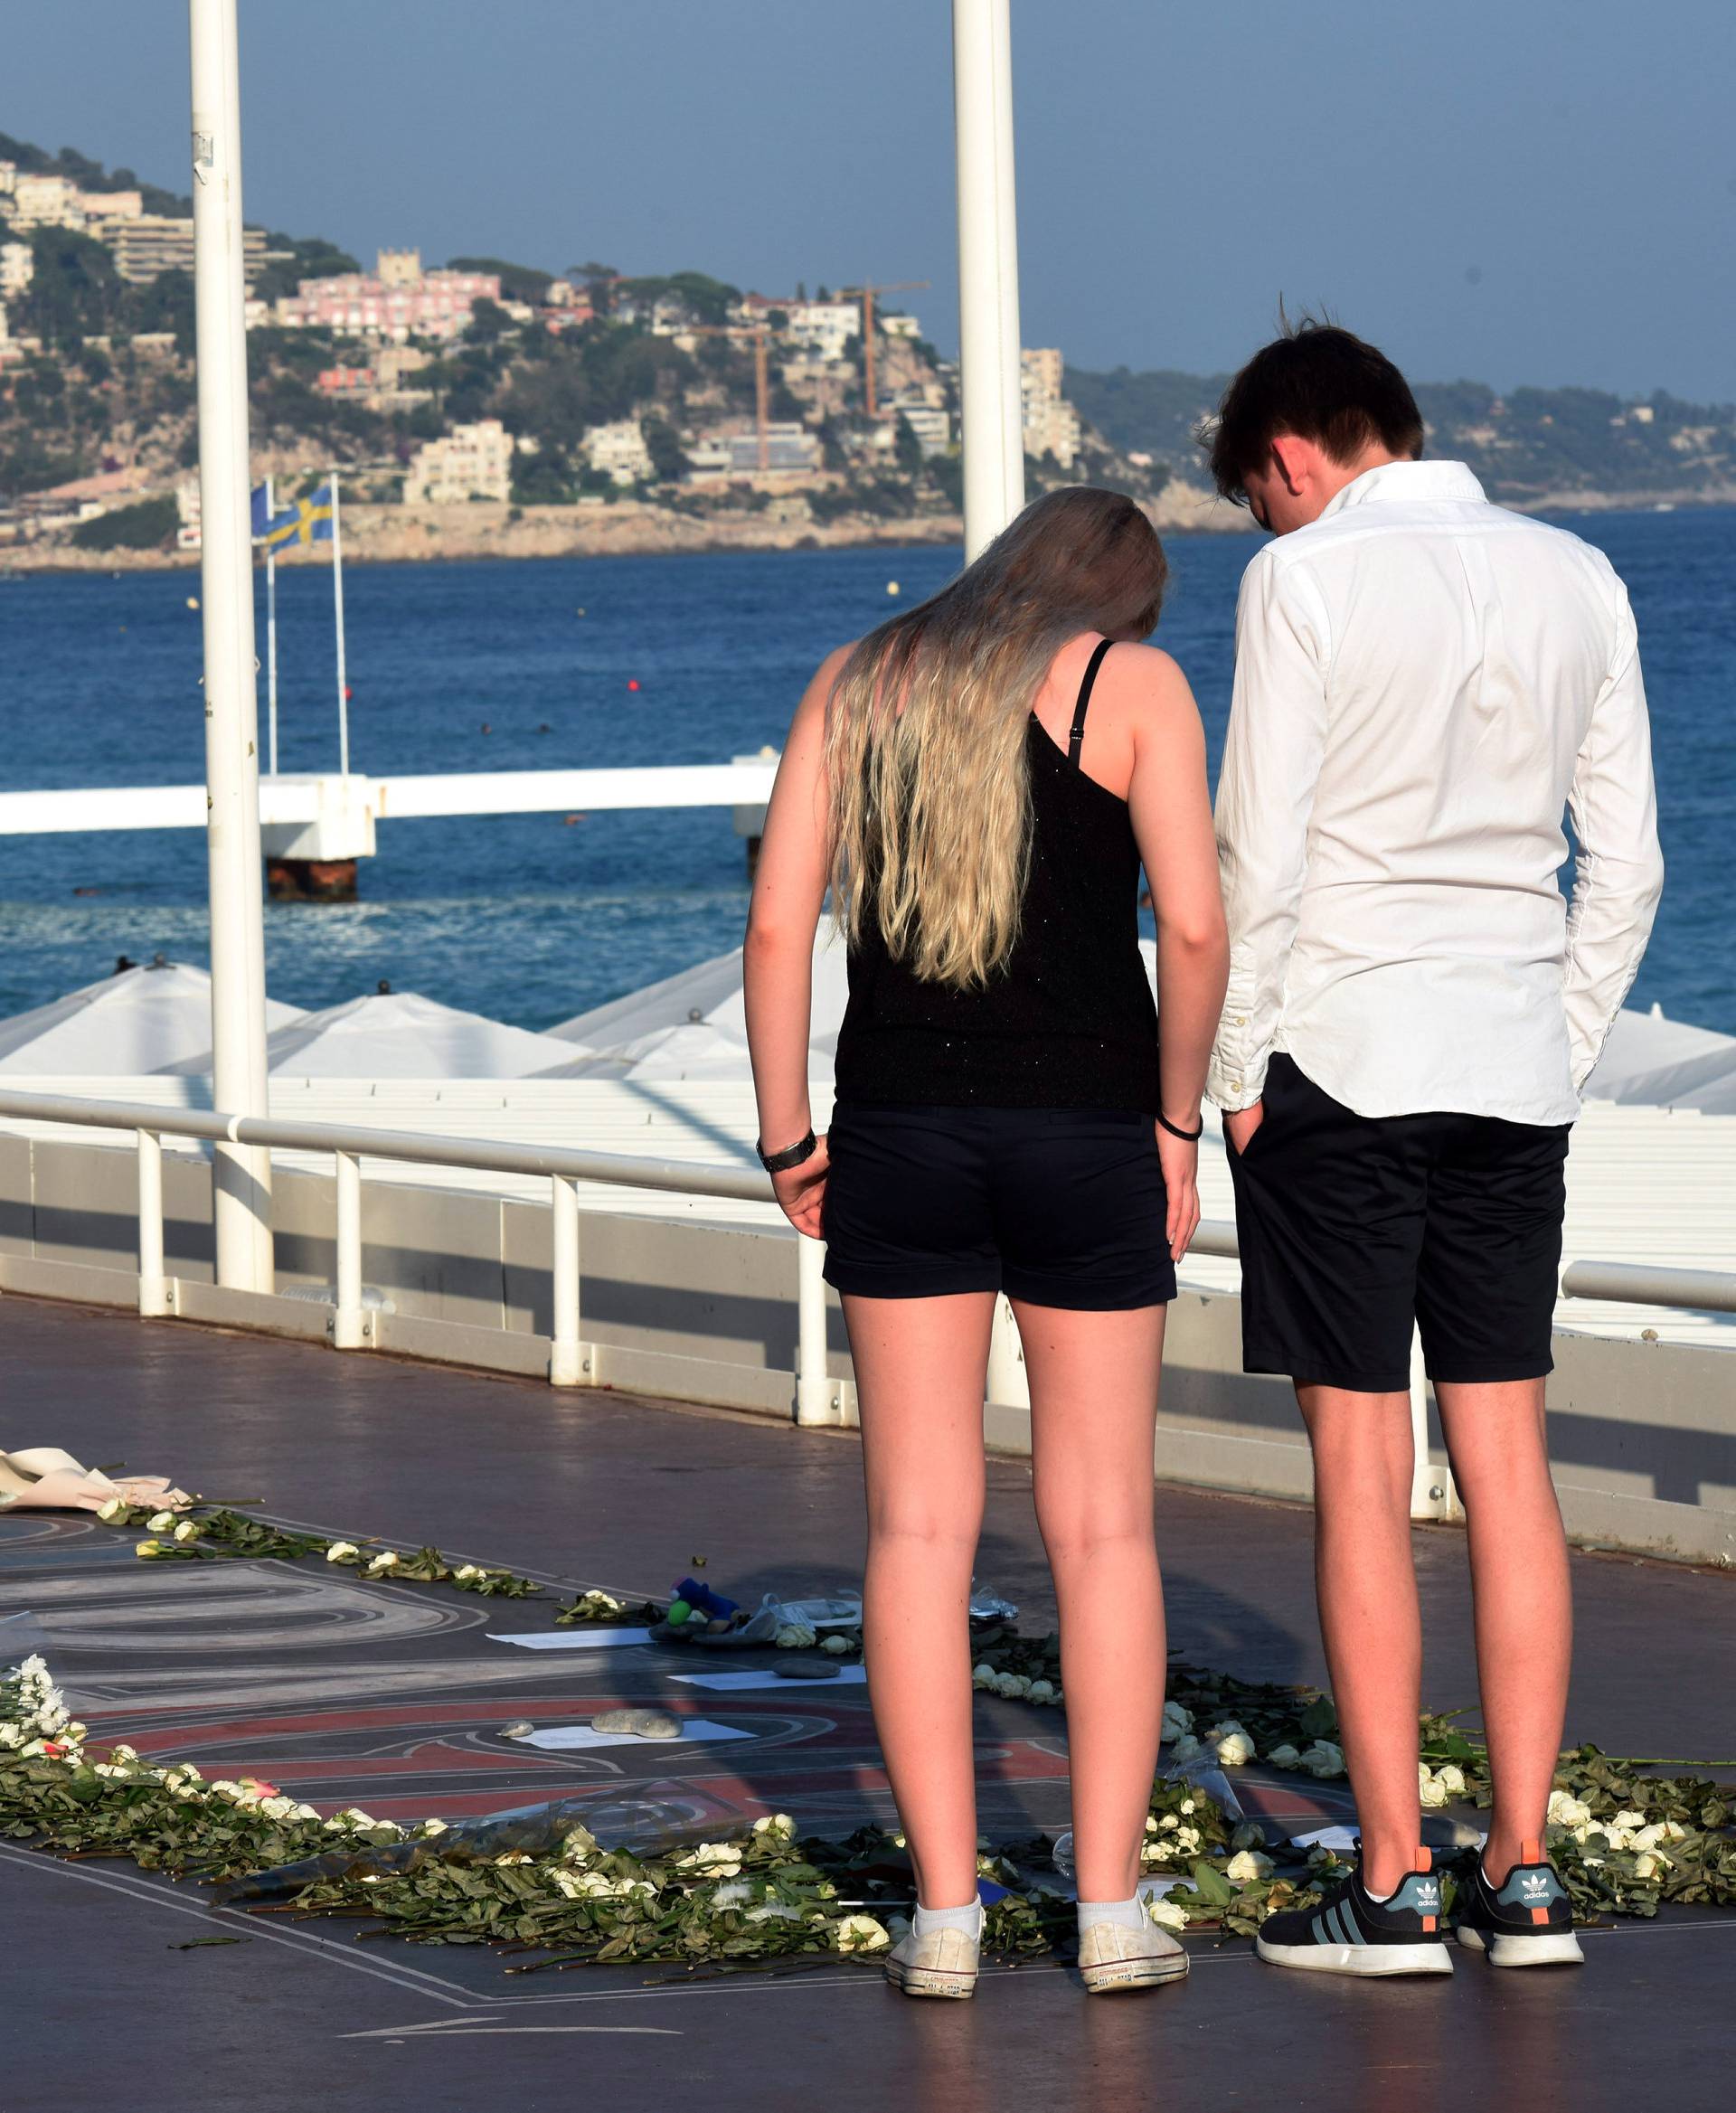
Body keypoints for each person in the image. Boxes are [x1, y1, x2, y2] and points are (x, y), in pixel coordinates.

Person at [1204, 321, 1664, 1977]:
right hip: (1509, 1058)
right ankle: (1525, 1872)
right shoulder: (1580, 572)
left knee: (1358, 1471)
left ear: (1292, 457)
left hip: (1341, 1053)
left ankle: (1394, 1878)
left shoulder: (1304, 581)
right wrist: (1562, 1031)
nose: (1271, 523)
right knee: (1511, 1466)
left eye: (1262, 499)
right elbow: (1627, 865)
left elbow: (1256, 849)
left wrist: (1234, 1068)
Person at [743, 487, 1229, 1998]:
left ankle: (944, 1916)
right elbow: (1198, 934)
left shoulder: (861, 678)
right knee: (1101, 1530)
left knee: (914, 1532)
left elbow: (774, 930)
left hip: (901, 1135)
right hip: (1088, 1133)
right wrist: (1177, 1123)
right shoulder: (1131, 685)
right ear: (1120, 597)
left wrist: (785, 1139)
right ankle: (1105, 1908)